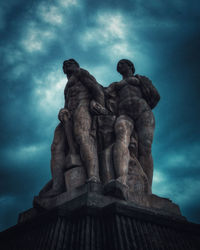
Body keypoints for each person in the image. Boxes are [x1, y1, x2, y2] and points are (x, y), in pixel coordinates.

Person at [41, 59, 105, 197]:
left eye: (70, 63)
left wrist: (100, 107)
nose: (66, 65)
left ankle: (94, 177)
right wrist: (63, 110)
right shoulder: (67, 85)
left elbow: (96, 89)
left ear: (76, 65)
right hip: (69, 113)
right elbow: (68, 101)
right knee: (56, 146)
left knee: (82, 136)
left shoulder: (81, 73)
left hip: (83, 106)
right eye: (64, 65)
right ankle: (57, 187)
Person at [105, 59, 160, 194]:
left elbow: (155, 96)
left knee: (145, 148)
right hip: (124, 114)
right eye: (118, 64)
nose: (119, 65)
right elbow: (104, 94)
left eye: (122, 63)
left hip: (143, 113)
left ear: (130, 66)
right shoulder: (116, 85)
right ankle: (121, 180)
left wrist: (144, 104)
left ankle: (148, 190)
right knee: (121, 137)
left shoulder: (141, 79)